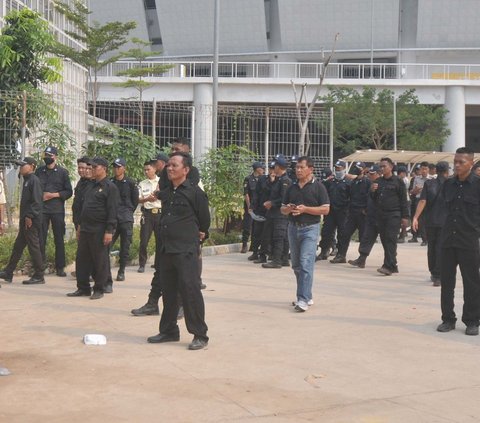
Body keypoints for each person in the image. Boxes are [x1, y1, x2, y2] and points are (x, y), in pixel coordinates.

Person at [147, 152, 210, 350]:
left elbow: (204, 221)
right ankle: (169, 331)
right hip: (167, 249)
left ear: (186, 170)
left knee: (190, 291)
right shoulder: (168, 191)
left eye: (175, 165)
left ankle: (200, 334)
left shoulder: (195, 193)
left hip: (185, 250)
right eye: (169, 166)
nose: (170, 168)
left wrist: (199, 239)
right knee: (169, 292)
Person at [436, 147, 480, 336]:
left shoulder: (478, 185)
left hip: (468, 240)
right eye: (455, 161)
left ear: (471, 163)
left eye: (461, 162)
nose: (457, 165)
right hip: (447, 240)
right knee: (447, 282)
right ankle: (448, 319)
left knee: (471, 283)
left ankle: (471, 321)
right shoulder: (448, 184)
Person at [281, 156, 330, 312]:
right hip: (293, 228)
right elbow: (282, 209)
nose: (298, 170)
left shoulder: (319, 187)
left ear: (310, 169)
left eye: (301, 167)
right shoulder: (291, 187)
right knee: (296, 265)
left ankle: (301, 299)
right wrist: (288, 208)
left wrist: (305, 209)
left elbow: (326, 209)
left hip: (310, 228)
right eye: (297, 167)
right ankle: (307, 295)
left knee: (305, 263)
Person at [67, 157, 119, 300]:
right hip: (85, 228)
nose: (92, 170)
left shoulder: (110, 187)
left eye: (95, 167)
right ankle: (83, 288)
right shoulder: (89, 186)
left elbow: (112, 211)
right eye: (91, 167)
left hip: (100, 229)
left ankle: (99, 288)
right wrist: (79, 226)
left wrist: (109, 231)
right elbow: (83, 208)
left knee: (100, 260)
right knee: (82, 259)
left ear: (104, 169)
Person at [0, 157, 45, 285]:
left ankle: (39, 275)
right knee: (18, 246)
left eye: (23, 165)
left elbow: (37, 201)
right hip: (25, 219)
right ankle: (8, 272)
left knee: (33, 247)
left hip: (30, 220)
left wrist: (30, 216)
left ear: (31, 166)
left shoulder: (34, 181)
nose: (21, 168)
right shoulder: (27, 180)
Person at [35, 146, 73, 276]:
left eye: (50, 156)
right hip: (42, 210)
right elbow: (34, 189)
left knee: (59, 239)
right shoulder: (39, 171)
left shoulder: (63, 172)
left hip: (56, 210)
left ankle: (60, 267)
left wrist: (54, 195)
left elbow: (69, 192)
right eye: (46, 155)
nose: (47, 158)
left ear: (55, 157)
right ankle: (39, 268)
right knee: (41, 239)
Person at [412, 161, 449, 287]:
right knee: (441, 247)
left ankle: (434, 272)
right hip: (446, 221)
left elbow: (422, 201)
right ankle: (438, 275)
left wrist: (415, 217)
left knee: (431, 247)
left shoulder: (429, 183)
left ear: (435, 170)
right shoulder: (451, 184)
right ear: (447, 172)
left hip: (430, 221)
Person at [371, 158, 409, 276]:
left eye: (384, 166)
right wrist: (372, 191)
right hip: (381, 215)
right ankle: (393, 264)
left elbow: (404, 200)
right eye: (380, 166)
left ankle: (388, 266)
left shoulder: (398, 181)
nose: (382, 169)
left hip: (394, 214)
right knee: (384, 240)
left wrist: (405, 217)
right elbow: (374, 199)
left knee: (390, 239)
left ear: (391, 167)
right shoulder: (378, 181)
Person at [108, 158, 139, 283]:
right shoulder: (110, 182)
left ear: (124, 168)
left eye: (119, 167)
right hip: (113, 218)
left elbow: (135, 200)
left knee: (125, 246)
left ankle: (121, 271)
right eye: (115, 167)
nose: (116, 169)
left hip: (126, 219)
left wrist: (128, 211)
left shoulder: (131, 183)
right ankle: (104, 272)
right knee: (106, 246)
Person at [333, 161, 370, 263]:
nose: (356, 169)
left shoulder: (367, 182)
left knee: (363, 237)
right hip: (352, 213)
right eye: (356, 167)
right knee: (345, 234)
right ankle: (341, 255)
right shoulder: (353, 182)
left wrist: (366, 210)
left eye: (359, 167)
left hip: (362, 214)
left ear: (364, 169)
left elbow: (369, 197)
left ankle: (362, 259)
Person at [348, 164, 382, 268]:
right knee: (367, 238)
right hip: (371, 216)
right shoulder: (371, 184)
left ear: (378, 174)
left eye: (373, 174)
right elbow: (369, 198)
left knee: (387, 241)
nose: (370, 175)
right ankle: (361, 259)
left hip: (382, 216)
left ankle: (390, 263)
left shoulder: (383, 183)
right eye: (369, 173)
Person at [317, 160, 351, 261]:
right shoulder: (330, 182)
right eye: (336, 168)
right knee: (326, 232)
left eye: (339, 168)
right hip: (331, 212)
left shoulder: (348, 182)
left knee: (342, 234)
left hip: (343, 212)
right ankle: (324, 251)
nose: (337, 170)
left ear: (344, 169)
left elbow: (351, 197)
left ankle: (341, 254)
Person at [262, 155, 292, 269]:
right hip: (273, 214)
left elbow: (284, 198)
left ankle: (277, 260)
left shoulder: (285, 181)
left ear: (279, 166)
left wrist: (272, 203)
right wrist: (271, 181)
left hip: (280, 214)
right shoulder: (277, 180)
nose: (273, 166)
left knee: (278, 237)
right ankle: (283, 259)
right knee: (279, 236)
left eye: (275, 165)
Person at [137, 160, 162, 273]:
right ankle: (142, 264)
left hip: (160, 214)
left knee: (160, 241)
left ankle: (158, 263)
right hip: (147, 214)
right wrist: (148, 199)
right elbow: (138, 199)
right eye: (145, 170)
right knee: (143, 241)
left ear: (155, 169)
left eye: (148, 169)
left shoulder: (161, 182)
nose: (146, 172)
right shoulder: (142, 184)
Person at [252, 161, 276, 263]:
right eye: (271, 169)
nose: (272, 171)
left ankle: (270, 253)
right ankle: (255, 253)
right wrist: (253, 206)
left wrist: (272, 181)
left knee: (271, 234)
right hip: (261, 210)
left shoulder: (280, 181)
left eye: (274, 169)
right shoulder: (262, 179)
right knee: (257, 232)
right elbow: (256, 193)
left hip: (273, 211)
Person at [241, 161, 265, 254]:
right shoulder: (248, 179)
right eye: (261, 168)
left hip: (259, 207)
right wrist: (249, 207)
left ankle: (253, 246)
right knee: (247, 225)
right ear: (256, 169)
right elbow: (246, 194)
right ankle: (244, 244)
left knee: (257, 227)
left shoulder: (263, 179)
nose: (263, 169)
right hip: (250, 206)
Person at [408, 161, 429, 245]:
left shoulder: (432, 179)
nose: (423, 171)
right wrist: (416, 190)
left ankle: (428, 238)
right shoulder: (416, 179)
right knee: (420, 220)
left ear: (428, 170)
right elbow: (412, 192)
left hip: (428, 201)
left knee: (427, 220)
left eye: (425, 169)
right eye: (422, 169)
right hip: (418, 200)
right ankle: (424, 239)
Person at [396, 165, 410, 243]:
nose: (405, 175)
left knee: (404, 218)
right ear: (401, 173)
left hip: (405, 200)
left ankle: (402, 235)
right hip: (403, 200)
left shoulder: (405, 180)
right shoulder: (402, 180)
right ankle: (400, 234)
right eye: (404, 173)